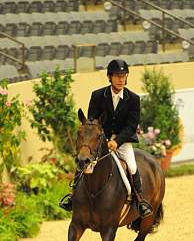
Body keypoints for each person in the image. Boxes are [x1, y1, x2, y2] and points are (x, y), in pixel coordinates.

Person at [59, 58, 153, 218]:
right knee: (84, 160)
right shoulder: (97, 95)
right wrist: (101, 140)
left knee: (132, 166)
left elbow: (131, 126)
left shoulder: (133, 99)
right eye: (117, 76)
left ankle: (139, 200)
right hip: (100, 141)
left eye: (123, 76)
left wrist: (117, 141)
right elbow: (91, 122)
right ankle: (73, 196)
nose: (121, 80)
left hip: (122, 142)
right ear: (109, 77)